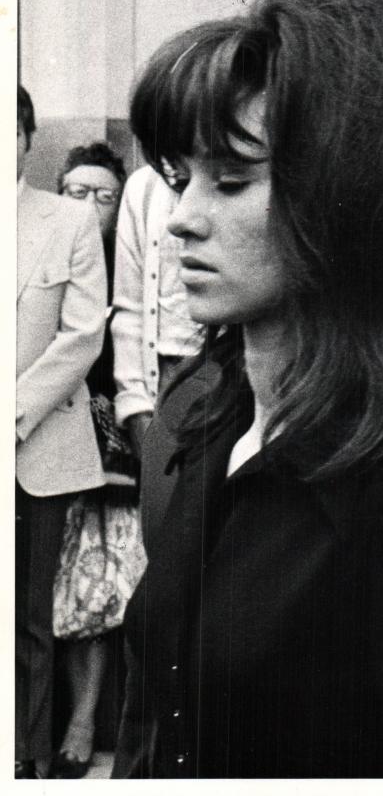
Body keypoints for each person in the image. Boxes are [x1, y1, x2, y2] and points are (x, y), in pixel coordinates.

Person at [113, 0, 383, 778]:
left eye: (231, 182)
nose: (182, 219)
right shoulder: (209, 421)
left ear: (350, 203)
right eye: (182, 180)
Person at [16, 88, 108, 780]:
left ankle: (30, 761)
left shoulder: (67, 221)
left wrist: (11, 415)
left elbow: (82, 334)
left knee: (30, 621)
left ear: (25, 139)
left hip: (33, 446)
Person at [51, 143, 143, 779]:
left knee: (105, 587)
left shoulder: (128, 266)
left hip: (115, 451)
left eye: (103, 196)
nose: (88, 206)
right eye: (77, 192)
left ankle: (86, 722)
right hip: (47, 445)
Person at [110, 163, 204, 548]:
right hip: (161, 381)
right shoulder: (144, 188)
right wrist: (135, 408)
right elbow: (129, 306)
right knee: (164, 542)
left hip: (224, 370)